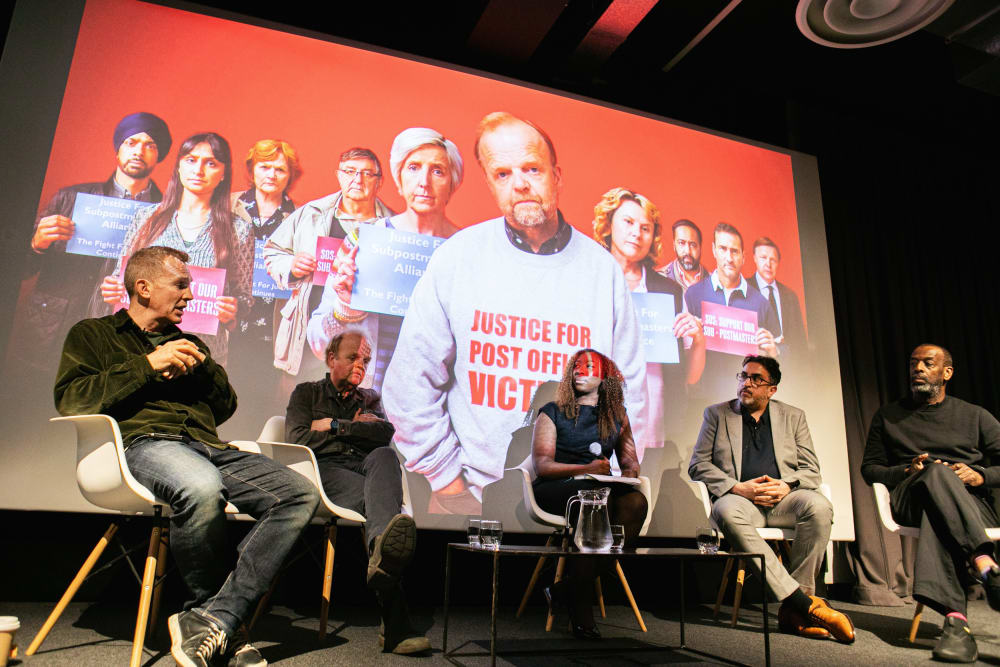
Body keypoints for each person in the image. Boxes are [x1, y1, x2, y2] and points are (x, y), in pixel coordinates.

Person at [54, 246, 319, 667]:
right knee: (199, 487)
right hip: (145, 445)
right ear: (143, 287)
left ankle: (215, 620)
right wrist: (147, 365)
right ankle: (219, 621)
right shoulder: (94, 334)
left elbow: (224, 408)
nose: (190, 295)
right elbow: (70, 400)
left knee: (299, 494)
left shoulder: (190, 342)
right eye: (180, 285)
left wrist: (205, 368)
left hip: (208, 446)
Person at [382, 111, 647, 514]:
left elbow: (629, 395)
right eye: (502, 174)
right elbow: (408, 385)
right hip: (474, 496)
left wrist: (612, 476)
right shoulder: (458, 256)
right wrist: (449, 485)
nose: (519, 183)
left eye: (531, 169)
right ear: (489, 183)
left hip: (579, 498)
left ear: (556, 175)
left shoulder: (602, 270)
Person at [688, 355, 855, 643]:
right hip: (741, 500)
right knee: (726, 512)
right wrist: (738, 488)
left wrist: (787, 485)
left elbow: (811, 470)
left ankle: (796, 611)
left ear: (771, 389)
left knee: (819, 507)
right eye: (743, 376)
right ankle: (804, 605)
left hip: (783, 503)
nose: (746, 383)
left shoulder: (793, 416)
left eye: (756, 379)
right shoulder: (716, 414)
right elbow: (698, 465)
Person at [285, 330, 429, 655]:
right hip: (325, 473)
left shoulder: (370, 399)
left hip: (366, 469)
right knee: (380, 504)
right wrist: (356, 431)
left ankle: (381, 555)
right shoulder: (306, 394)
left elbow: (384, 433)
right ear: (331, 358)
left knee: (385, 456)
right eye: (353, 357)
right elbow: (297, 440)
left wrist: (336, 426)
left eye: (365, 359)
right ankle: (395, 623)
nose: (360, 365)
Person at [861, 344, 1000, 663]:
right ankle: (984, 563)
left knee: (937, 515)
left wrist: (979, 475)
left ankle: (956, 624)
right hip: (910, 495)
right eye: (913, 364)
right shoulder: (888, 415)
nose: (918, 369)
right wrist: (905, 471)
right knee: (937, 474)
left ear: (947, 373)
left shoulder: (974, 415)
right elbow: (870, 469)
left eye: (927, 363)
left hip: (968, 504)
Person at [7, 112, 171, 375]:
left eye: (150, 145)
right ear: (118, 149)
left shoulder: (166, 214)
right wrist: (36, 244)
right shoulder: (70, 198)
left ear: (159, 155)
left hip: (121, 332)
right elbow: (19, 271)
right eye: (131, 142)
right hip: (51, 327)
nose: (139, 151)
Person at [306, 128, 463, 391]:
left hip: (437, 407)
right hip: (367, 407)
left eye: (437, 171)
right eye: (413, 167)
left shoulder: (466, 250)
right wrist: (346, 308)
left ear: (452, 182)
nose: (423, 181)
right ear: (399, 179)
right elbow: (318, 344)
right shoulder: (364, 240)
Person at [100, 132, 253, 366]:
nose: (198, 170)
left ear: (223, 173)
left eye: (211, 163)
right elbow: (119, 278)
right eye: (191, 160)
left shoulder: (238, 229)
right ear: (179, 167)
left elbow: (244, 298)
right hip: (139, 350)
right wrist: (112, 288)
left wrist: (232, 312)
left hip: (199, 356)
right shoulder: (145, 218)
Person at [531, 349, 647, 638]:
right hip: (556, 489)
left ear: (605, 376)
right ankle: (581, 608)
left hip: (596, 490)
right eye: (576, 368)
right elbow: (543, 466)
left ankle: (567, 588)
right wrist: (587, 466)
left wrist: (628, 477)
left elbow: (630, 462)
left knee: (635, 502)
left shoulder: (616, 415)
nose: (580, 372)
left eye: (589, 367)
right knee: (596, 498)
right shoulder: (552, 412)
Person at [263, 148, 393, 383]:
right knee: (302, 403)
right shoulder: (311, 214)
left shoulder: (391, 228)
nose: (357, 179)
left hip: (359, 334)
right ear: (338, 175)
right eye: (350, 171)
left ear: (379, 182)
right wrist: (291, 265)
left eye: (367, 174)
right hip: (306, 331)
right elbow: (272, 251)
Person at [591, 186, 705, 453]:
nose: (636, 233)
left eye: (645, 227)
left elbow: (690, 377)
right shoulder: (588, 278)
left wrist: (698, 338)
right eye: (628, 222)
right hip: (593, 415)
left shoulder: (670, 291)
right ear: (608, 225)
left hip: (653, 427)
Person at [226, 140, 300, 410]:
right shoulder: (226, 205)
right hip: (228, 321)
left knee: (258, 405)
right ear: (252, 169)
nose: (271, 174)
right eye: (264, 166)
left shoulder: (300, 218)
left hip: (271, 328)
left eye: (280, 169)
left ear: (290, 175)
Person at [684, 222, 780, 400]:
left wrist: (773, 351)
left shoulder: (761, 303)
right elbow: (684, 360)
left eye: (734, 251)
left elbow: (781, 359)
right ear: (713, 250)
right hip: (701, 402)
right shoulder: (693, 295)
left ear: (743, 257)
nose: (728, 257)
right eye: (723, 249)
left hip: (747, 401)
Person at [752, 237, 807, 354]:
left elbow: (801, 341)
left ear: (778, 263)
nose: (768, 264)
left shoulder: (790, 296)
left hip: (787, 362)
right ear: (754, 259)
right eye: (763, 258)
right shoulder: (743, 289)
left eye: (773, 260)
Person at [657, 218, 709, 295]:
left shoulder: (714, 282)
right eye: (681, 243)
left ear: (700, 247)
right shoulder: (660, 279)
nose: (687, 251)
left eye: (693, 245)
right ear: (674, 246)